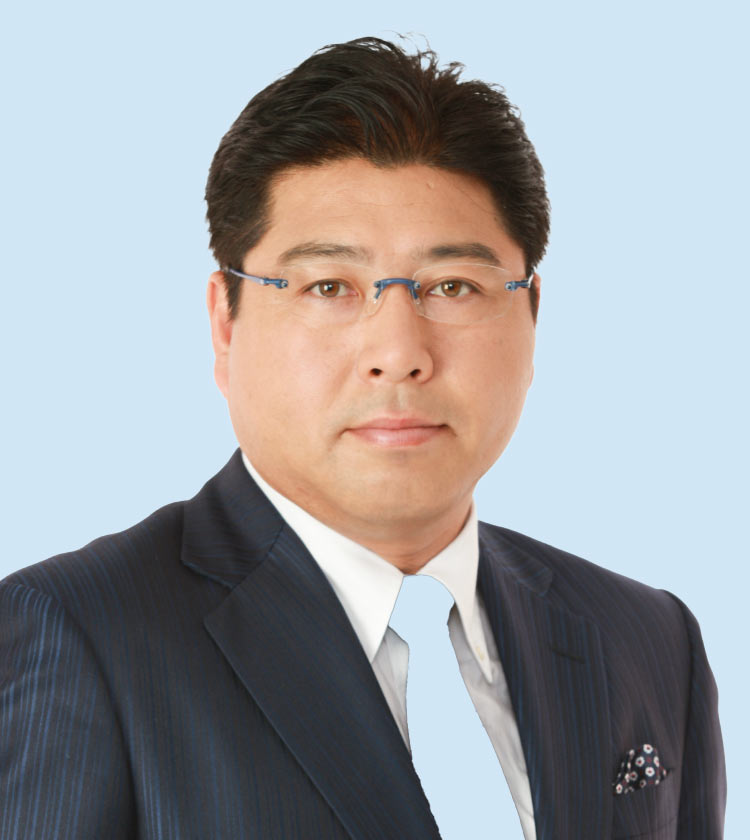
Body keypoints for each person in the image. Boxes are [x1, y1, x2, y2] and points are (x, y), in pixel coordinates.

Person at [0, 37, 725, 839]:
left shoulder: (646, 638)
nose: (399, 353)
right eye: (328, 287)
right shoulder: (79, 635)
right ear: (225, 323)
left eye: (454, 286)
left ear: (532, 314)